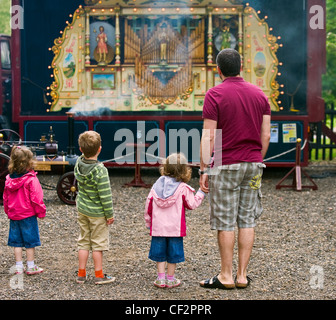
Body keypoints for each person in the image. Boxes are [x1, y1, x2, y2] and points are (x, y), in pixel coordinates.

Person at [199, 48, 271, 289]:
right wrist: (255, 158)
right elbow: (266, 135)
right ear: (241, 67)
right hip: (253, 164)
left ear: (218, 70)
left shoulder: (214, 94)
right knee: (247, 220)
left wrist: (203, 168)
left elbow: (209, 137)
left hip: (225, 164)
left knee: (225, 221)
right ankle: (242, 276)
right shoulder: (260, 95)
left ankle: (226, 276)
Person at [144, 153, 205, 288]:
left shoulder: (156, 186)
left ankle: (160, 278)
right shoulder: (183, 188)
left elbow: (148, 205)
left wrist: (149, 222)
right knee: (173, 254)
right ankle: (170, 279)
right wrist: (201, 193)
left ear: (165, 167)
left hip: (158, 228)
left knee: (159, 254)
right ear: (184, 170)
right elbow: (192, 204)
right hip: (175, 229)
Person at [74, 131, 115, 285]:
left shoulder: (78, 163)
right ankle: (99, 275)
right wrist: (109, 214)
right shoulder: (100, 170)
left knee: (84, 241)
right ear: (99, 149)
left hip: (83, 210)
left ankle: (81, 274)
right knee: (98, 244)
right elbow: (105, 195)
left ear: (80, 149)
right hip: (97, 213)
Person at [3, 146, 46, 275]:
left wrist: (8, 211)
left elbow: (5, 198)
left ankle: (18, 267)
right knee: (30, 241)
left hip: (14, 215)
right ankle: (31, 266)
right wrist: (41, 212)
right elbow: (36, 198)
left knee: (16, 242)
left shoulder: (8, 180)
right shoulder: (31, 179)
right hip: (28, 215)